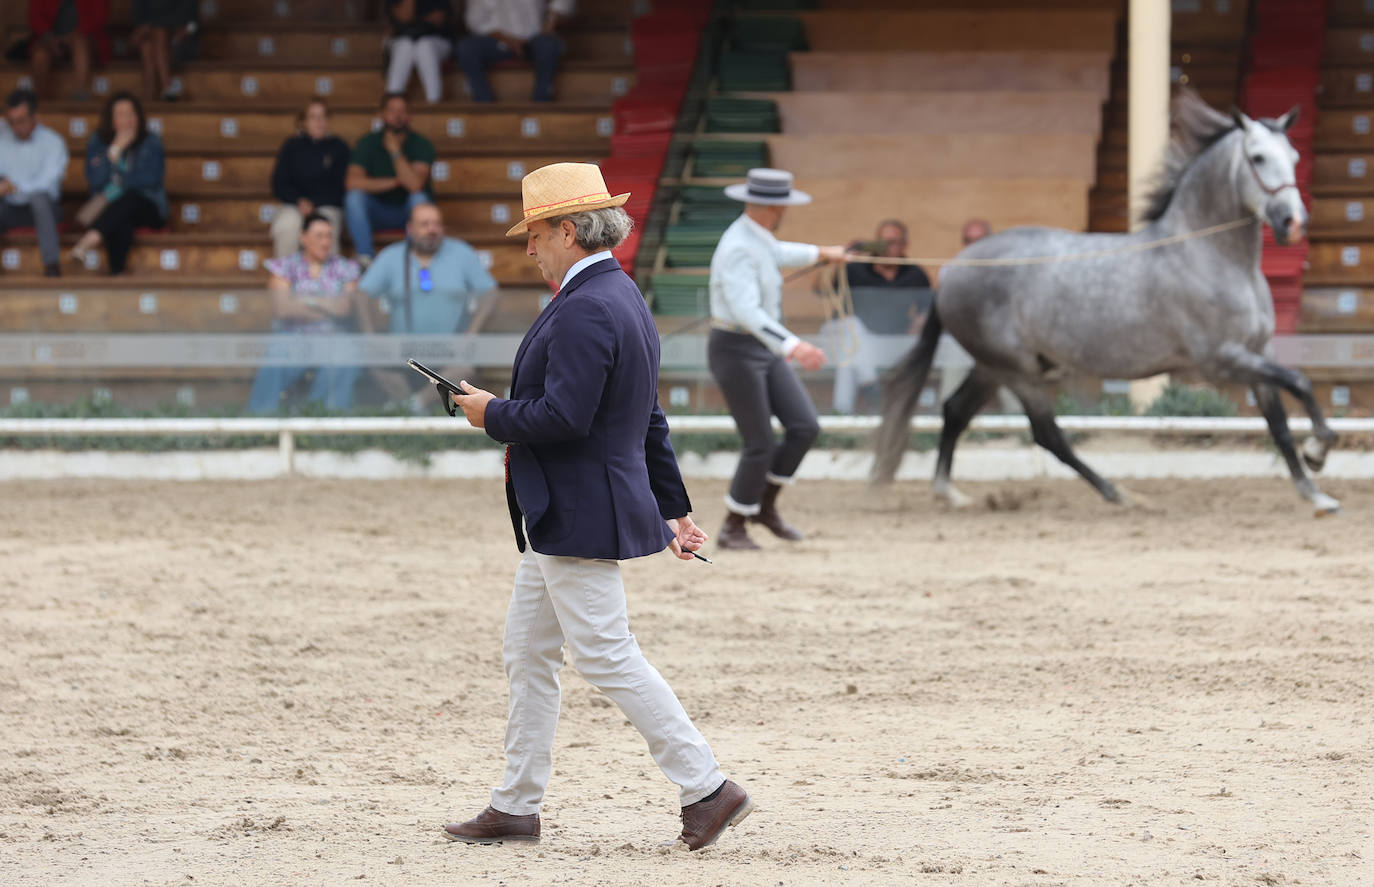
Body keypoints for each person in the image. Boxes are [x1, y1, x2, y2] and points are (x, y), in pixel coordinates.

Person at [442, 161, 752, 850]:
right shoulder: (622, 297)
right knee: (528, 652)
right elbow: (648, 417)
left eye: (537, 234)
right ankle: (516, 804)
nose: (530, 248)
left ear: (571, 230)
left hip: (576, 508)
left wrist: (490, 413)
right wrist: (674, 505)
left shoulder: (585, 306)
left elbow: (566, 416)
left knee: (607, 655)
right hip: (573, 508)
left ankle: (706, 785)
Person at [708, 167, 847, 550]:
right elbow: (746, 312)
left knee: (803, 426)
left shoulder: (757, 236)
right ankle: (733, 525)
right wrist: (793, 346)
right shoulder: (737, 247)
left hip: (760, 348)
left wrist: (822, 253)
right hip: (736, 349)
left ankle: (764, 508)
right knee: (760, 442)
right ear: (774, 207)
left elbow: (779, 253)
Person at [357, 201, 496, 411]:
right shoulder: (391, 256)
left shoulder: (461, 253)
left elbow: (491, 293)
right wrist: (370, 335)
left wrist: (471, 333)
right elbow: (361, 294)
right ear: (409, 229)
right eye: (425, 224)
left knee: (466, 369)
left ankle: (413, 405)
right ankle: (409, 406)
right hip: (402, 352)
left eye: (437, 224)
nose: (432, 229)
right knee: (373, 364)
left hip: (450, 350)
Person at [248, 212, 363, 413]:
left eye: (329, 236)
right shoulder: (285, 266)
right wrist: (327, 305)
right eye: (319, 235)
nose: (325, 241)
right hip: (293, 338)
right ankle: (261, 421)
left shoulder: (346, 268)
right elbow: (282, 309)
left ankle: (323, 419)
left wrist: (304, 300)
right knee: (276, 354)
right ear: (303, 237)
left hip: (333, 339)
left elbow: (344, 309)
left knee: (346, 355)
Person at [824, 219, 931, 414]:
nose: (886, 248)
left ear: (904, 245)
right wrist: (840, 258)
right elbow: (821, 290)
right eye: (882, 242)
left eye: (893, 242)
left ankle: (841, 415)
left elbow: (925, 312)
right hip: (840, 334)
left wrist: (913, 332)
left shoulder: (915, 274)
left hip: (883, 342)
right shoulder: (856, 268)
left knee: (849, 361)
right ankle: (871, 387)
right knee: (853, 326)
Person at [72, 91, 167, 275]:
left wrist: (119, 166)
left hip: (148, 207)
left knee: (129, 199)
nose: (128, 119)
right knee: (122, 219)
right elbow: (95, 180)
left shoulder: (151, 141)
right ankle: (118, 273)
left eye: (132, 114)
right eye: (121, 114)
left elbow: (149, 179)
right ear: (111, 120)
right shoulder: (98, 142)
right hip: (111, 207)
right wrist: (114, 152)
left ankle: (89, 240)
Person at [344, 92, 435, 265]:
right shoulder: (367, 142)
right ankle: (365, 259)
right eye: (392, 111)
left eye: (402, 111)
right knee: (354, 198)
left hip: (407, 212)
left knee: (419, 198)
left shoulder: (421, 144)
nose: (398, 116)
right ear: (381, 114)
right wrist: (395, 181)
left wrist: (395, 152)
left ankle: (415, 259)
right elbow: (352, 182)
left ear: (410, 115)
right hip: (376, 211)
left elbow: (414, 185)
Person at [269, 97, 351, 258]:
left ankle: (329, 281)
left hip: (328, 205)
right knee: (286, 225)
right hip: (294, 205)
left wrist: (314, 203)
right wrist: (299, 201)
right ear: (303, 122)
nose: (319, 122)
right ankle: (285, 279)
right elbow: (279, 183)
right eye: (313, 117)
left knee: (325, 228)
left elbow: (341, 186)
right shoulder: (291, 146)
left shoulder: (339, 147)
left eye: (323, 116)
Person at [0, 89, 68, 278]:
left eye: (20, 121)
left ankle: (51, 265)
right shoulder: (2, 135)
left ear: (35, 117)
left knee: (39, 199)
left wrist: (12, 187)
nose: (15, 127)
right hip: (10, 208)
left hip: (45, 209)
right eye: (11, 121)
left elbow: (46, 184)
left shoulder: (53, 142)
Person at [455, 0, 572, 103]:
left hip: (533, 39)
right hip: (497, 40)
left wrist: (550, 23)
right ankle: (483, 99)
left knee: (549, 45)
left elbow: (562, 3)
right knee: (467, 47)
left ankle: (542, 98)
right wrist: (508, 40)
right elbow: (474, 20)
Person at [28, 0, 109, 101]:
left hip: (84, 37)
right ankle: (38, 99)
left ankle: (81, 93)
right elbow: (35, 18)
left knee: (79, 44)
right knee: (40, 55)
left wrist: (76, 34)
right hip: (50, 39)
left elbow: (99, 18)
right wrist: (49, 38)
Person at [384, 0, 453, 105]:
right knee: (405, 46)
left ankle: (433, 103)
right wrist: (424, 19)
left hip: (436, 41)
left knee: (424, 46)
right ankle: (393, 101)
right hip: (403, 41)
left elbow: (439, 18)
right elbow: (405, 16)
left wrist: (416, 21)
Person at [129, 0, 199, 102]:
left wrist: (154, 25)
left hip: (179, 40)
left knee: (155, 37)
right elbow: (138, 19)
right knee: (148, 44)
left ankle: (152, 95)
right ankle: (164, 88)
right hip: (150, 36)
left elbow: (192, 22)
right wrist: (149, 27)